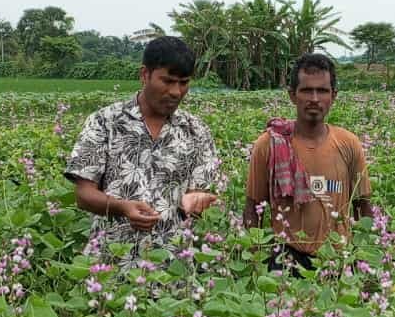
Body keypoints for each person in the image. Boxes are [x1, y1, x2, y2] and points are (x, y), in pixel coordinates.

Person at [65, 36, 219, 255]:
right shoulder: (105, 121)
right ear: (145, 75)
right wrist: (122, 208)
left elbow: (198, 192)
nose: (176, 92)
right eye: (167, 81)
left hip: (173, 269)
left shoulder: (196, 130)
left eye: (183, 82)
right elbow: (83, 195)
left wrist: (197, 201)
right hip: (111, 264)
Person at [244, 53, 372, 272]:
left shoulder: (349, 144)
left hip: (337, 257)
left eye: (322, 90)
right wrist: (253, 264)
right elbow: (252, 210)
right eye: (306, 90)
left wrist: (365, 262)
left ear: (334, 95)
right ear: (293, 95)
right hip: (286, 257)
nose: (314, 98)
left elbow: (363, 208)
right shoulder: (270, 144)